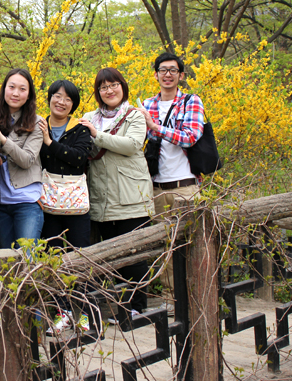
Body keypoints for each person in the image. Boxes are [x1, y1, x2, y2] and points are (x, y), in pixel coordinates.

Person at [79, 67, 154, 315]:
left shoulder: (135, 115)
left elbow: (131, 145)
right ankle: (112, 308)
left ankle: (136, 308)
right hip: (99, 197)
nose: (109, 90)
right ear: (98, 92)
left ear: (123, 87)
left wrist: (96, 135)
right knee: (105, 256)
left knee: (132, 256)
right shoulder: (90, 117)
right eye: (103, 87)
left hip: (129, 196)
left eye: (113, 85)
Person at [136, 52, 204, 303]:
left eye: (173, 70)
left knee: (191, 243)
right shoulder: (147, 104)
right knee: (165, 246)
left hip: (185, 187)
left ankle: (197, 295)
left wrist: (155, 127)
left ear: (181, 75)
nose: (167, 74)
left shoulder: (191, 102)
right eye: (162, 70)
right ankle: (171, 299)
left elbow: (190, 136)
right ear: (155, 74)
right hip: (156, 187)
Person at [38, 80, 94, 334]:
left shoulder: (79, 128)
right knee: (55, 261)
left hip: (76, 206)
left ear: (73, 104)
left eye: (67, 99)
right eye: (56, 96)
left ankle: (86, 318)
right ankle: (63, 314)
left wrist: (49, 143)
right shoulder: (38, 124)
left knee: (80, 260)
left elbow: (79, 158)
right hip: (48, 205)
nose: (61, 102)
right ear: (49, 98)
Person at [0, 68, 44, 249]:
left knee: (26, 258)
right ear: (4, 90)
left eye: (22, 89)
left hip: (27, 202)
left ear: (29, 94)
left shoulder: (36, 123)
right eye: (12, 87)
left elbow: (27, 160)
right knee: (5, 261)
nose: (16, 93)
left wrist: (2, 139)